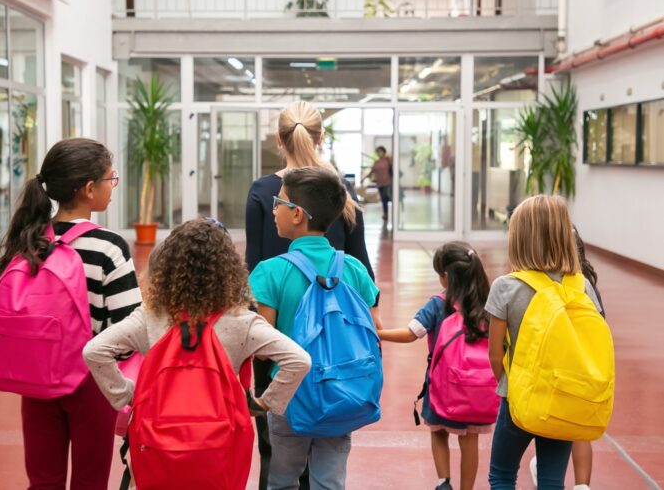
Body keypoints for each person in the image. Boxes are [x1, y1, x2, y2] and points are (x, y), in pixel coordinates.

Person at [82, 218, 312, 482]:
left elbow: (95, 351)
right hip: (220, 443)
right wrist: (265, 403)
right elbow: (299, 360)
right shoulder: (242, 322)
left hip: (157, 440)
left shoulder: (150, 317)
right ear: (228, 270)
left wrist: (127, 395)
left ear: (167, 267)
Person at [0, 138, 142, 490]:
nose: (112, 186)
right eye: (111, 179)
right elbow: (128, 327)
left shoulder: (27, 239)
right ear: (90, 189)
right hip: (91, 382)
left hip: (35, 379)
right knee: (89, 481)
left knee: (43, 480)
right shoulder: (108, 245)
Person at [244, 100, 374, 490]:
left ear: (279, 140)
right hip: (337, 356)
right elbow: (361, 269)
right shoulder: (338, 192)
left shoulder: (265, 193)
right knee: (330, 447)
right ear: (321, 137)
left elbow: (253, 263)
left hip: (279, 339)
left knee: (279, 449)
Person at [486, 195, 604, 490]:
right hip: (562, 398)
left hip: (518, 400)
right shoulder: (582, 285)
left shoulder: (506, 287)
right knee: (552, 481)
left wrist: (510, 383)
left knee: (502, 475)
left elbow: (494, 353)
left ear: (519, 238)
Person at [378, 241, 493, 490]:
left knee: (438, 431)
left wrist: (381, 334)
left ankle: (444, 482)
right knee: (469, 439)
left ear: (446, 277)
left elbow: (411, 333)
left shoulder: (438, 304)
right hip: (477, 388)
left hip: (443, 384)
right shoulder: (487, 303)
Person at [529, 224, 605, 490]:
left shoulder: (545, 283)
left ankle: (545, 468)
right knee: (579, 429)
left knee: (549, 424)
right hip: (584, 369)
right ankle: (582, 485)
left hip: (554, 370)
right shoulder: (587, 286)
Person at [362, 145, 393, 221]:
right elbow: (371, 171)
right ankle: (385, 213)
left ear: (384, 152)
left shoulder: (388, 160)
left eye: (381, 151)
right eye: (378, 151)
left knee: (386, 197)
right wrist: (364, 178)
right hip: (379, 183)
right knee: (383, 199)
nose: (380, 153)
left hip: (387, 183)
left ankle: (389, 213)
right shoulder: (376, 162)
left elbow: (392, 170)